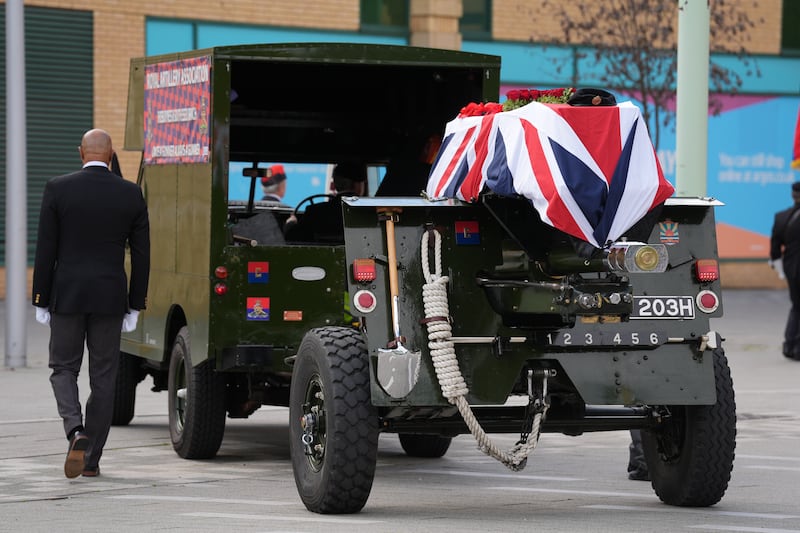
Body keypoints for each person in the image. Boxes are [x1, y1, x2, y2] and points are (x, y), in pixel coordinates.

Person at [32, 128, 150, 478]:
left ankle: (75, 431)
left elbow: (45, 249)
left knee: (63, 368)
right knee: (104, 378)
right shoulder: (131, 193)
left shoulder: (57, 188)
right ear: (111, 153)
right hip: (110, 297)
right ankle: (92, 459)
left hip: (67, 295)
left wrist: (40, 298)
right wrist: (135, 303)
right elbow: (142, 255)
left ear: (80, 152)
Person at [284, 161, 367, 243]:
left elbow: (292, 237)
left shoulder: (314, 211)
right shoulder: (370, 213)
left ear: (335, 183)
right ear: (358, 185)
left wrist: (291, 223)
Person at [770, 181, 800, 360]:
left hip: (790, 267)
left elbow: (774, 250)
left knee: (796, 305)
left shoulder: (781, 216)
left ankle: (789, 345)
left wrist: (781, 269)